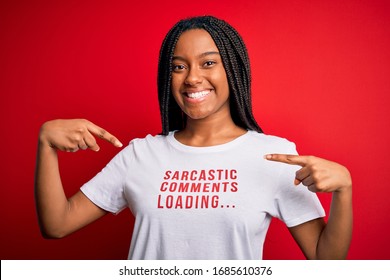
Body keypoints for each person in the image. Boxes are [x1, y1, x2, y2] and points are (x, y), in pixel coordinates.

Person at [35, 15, 352, 260]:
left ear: (233, 69)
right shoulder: (141, 155)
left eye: (209, 62)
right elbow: (57, 224)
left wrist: (344, 190)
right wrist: (46, 145)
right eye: (178, 66)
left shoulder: (274, 155)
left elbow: (325, 258)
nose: (193, 78)